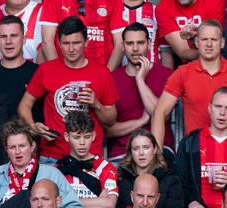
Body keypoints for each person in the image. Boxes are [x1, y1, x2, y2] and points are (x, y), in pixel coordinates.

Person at [17, 18, 118, 162]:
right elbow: (24, 105)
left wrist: (96, 104)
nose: (71, 49)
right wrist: (33, 127)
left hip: (90, 157)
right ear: (59, 44)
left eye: (76, 43)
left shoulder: (102, 73)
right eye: (66, 43)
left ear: (86, 42)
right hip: (52, 156)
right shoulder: (46, 69)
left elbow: (111, 120)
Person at [150, 22, 227, 145]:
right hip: (195, 150)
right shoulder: (182, 73)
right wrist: (156, 154)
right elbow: (160, 112)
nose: (209, 44)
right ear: (196, 42)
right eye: (204, 39)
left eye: (214, 39)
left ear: (222, 43)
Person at [107, 23, 171, 160]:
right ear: (122, 46)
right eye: (130, 43)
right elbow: (108, 131)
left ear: (149, 44)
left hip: (158, 151)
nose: (135, 49)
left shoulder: (165, 74)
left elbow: (161, 115)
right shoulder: (112, 79)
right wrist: (141, 122)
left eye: (140, 43)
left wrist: (140, 80)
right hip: (123, 153)